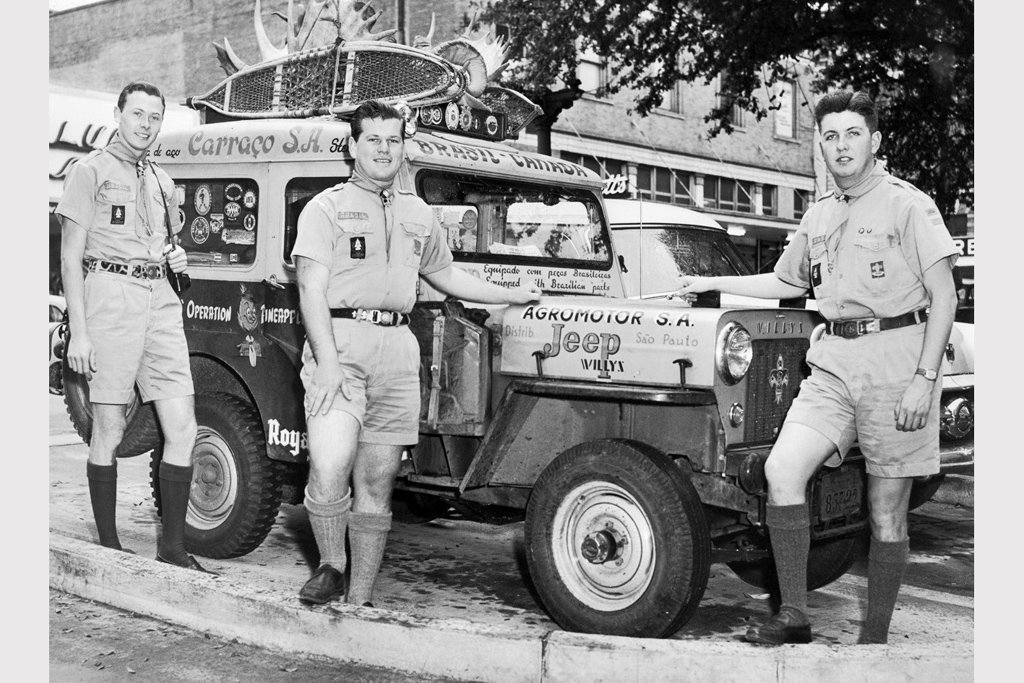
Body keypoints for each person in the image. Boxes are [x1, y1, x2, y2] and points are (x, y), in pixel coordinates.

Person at [673, 90, 958, 645]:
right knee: (783, 472)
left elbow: (944, 296)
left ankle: (873, 640)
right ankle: (795, 615)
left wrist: (925, 380)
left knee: (885, 513)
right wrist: (713, 283)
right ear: (821, 147)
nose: (841, 145)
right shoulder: (821, 214)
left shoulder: (907, 204)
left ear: (874, 142)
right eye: (830, 136)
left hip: (898, 364)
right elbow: (786, 281)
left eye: (852, 134)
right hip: (832, 364)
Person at [292, 100, 542, 607]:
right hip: (339, 343)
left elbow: (447, 276)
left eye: (392, 140)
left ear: (403, 147)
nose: (384, 149)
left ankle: (359, 601)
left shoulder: (418, 213)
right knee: (330, 462)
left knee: (378, 480)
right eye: (373, 140)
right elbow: (310, 290)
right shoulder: (326, 208)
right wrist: (327, 361)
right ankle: (331, 565)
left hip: (398, 351)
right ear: (353, 146)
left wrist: (509, 294)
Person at [57, 81, 214, 575]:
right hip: (109, 296)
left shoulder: (162, 181)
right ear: (119, 113)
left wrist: (177, 255)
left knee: (183, 425)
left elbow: (166, 241)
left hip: (159, 299)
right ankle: (108, 546)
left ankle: (172, 546)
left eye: (154, 117)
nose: (145, 124)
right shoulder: (91, 171)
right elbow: (69, 256)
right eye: (138, 114)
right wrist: (79, 333)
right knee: (109, 426)